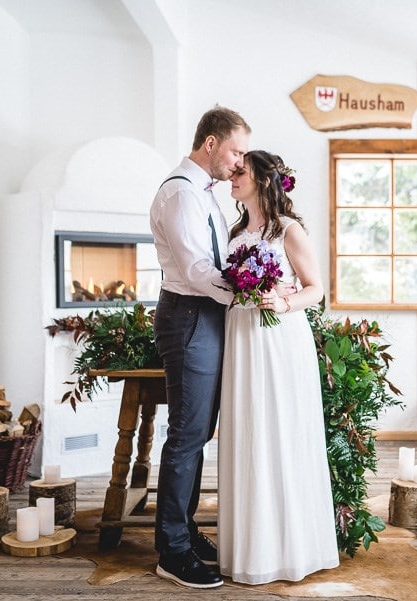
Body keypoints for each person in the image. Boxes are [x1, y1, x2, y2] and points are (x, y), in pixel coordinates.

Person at [217, 150, 340, 584]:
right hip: (241, 338)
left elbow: (316, 290)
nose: (232, 176)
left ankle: (291, 550)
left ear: (263, 181)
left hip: (279, 338)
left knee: (280, 433)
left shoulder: (288, 230)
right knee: (248, 433)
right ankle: (250, 549)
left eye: (240, 171)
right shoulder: (234, 231)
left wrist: (282, 301)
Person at [149, 106, 250, 589]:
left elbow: (219, 259)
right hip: (188, 315)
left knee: (199, 431)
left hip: (206, 314)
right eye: (235, 150)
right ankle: (171, 550)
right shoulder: (179, 192)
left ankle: (184, 530)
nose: (238, 161)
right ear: (210, 143)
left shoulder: (204, 194)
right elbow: (195, 270)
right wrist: (247, 297)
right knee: (187, 434)